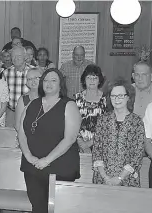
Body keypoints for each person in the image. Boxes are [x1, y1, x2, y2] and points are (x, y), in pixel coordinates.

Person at [18, 68, 81, 213]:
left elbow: (70, 138)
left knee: (57, 209)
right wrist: (28, 156)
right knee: (38, 208)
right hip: (33, 165)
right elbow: (21, 132)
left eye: (54, 80)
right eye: (45, 80)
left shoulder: (69, 105)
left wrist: (47, 160)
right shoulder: (32, 104)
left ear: (61, 85)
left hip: (60, 166)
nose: (49, 83)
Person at [92, 78, 145, 187]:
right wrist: (105, 177)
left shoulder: (137, 122)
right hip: (103, 180)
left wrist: (120, 178)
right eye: (113, 96)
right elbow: (97, 150)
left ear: (128, 97)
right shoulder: (103, 120)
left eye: (121, 95)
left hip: (127, 180)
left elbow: (137, 154)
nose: (117, 99)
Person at [74, 65, 107, 153]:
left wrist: (89, 143)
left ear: (99, 80)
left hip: (101, 145)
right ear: (84, 80)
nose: (92, 81)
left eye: (95, 78)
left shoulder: (106, 99)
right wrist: (81, 143)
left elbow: (108, 125)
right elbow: (72, 123)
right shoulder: (77, 99)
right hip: (78, 145)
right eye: (88, 77)